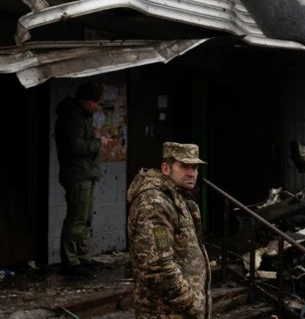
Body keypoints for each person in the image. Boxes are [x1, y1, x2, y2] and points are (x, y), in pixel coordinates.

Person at [127, 142, 211, 319]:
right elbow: (157, 266)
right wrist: (191, 304)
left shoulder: (177, 197)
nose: (192, 173)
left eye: (195, 167)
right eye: (184, 166)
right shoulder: (155, 203)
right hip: (165, 312)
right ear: (166, 168)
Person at [55, 82, 110, 277]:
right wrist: (98, 143)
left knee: (85, 218)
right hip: (77, 175)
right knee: (77, 218)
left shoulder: (80, 116)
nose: (95, 106)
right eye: (93, 102)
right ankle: (71, 261)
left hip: (84, 173)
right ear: (83, 100)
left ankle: (83, 257)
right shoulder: (73, 118)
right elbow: (76, 146)